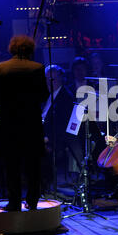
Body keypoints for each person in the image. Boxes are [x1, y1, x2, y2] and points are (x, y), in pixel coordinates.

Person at [0, 35, 49, 211]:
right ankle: (32, 201)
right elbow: (43, 95)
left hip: (9, 123)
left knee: (12, 164)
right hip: (31, 123)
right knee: (33, 165)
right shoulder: (38, 68)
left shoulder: (1, 68)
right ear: (30, 49)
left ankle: (14, 202)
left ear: (12, 48)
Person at [41, 64, 74, 193]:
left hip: (56, 140)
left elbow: (62, 125)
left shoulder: (65, 97)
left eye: (52, 79)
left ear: (61, 79)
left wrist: (47, 139)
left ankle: (45, 188)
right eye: (47, 79)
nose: (49, 82)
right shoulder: (48, 95)